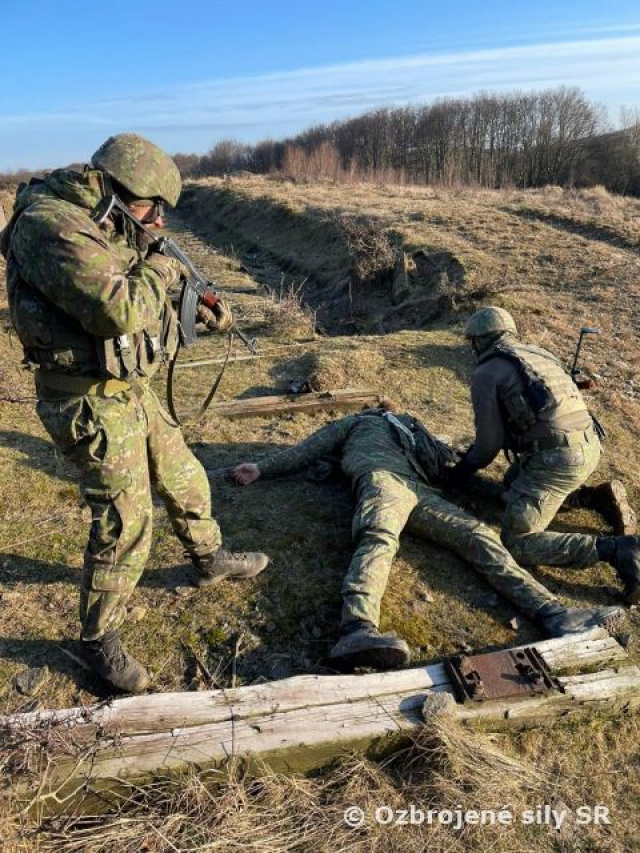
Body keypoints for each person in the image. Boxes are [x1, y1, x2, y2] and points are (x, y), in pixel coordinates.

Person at [1, 133, 269, 694]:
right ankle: (97, 639)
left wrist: (197, 304)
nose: (158, 221)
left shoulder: (104, 221)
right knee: (126, 520)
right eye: (154, 209)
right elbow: (118, 309)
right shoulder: (50, 225)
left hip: (129, 385)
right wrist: (164, 273)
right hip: (86, 397)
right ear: (120, 192)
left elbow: (139, 283)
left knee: (184, 475)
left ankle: (209, 557)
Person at [232, 407, 622, 672]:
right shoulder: (355, 423)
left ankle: (553, 613)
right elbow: (310, 448)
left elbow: (449, 464)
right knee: (379, 537)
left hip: (421, 491)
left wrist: (500, 493)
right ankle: (357, 629)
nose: (387, 407)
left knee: (478, 536)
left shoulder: (412, 427)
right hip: (382, 479)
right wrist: (262, 468)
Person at [448, 306, 639, 605]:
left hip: (557, 460)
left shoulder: (487, 372)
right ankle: (589, 497)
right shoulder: (540, 354)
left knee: (517, 541)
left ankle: (617, 550)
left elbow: (488, 444)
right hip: (589, 445)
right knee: (512, 482)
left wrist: (460, 471)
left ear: (480, 340)